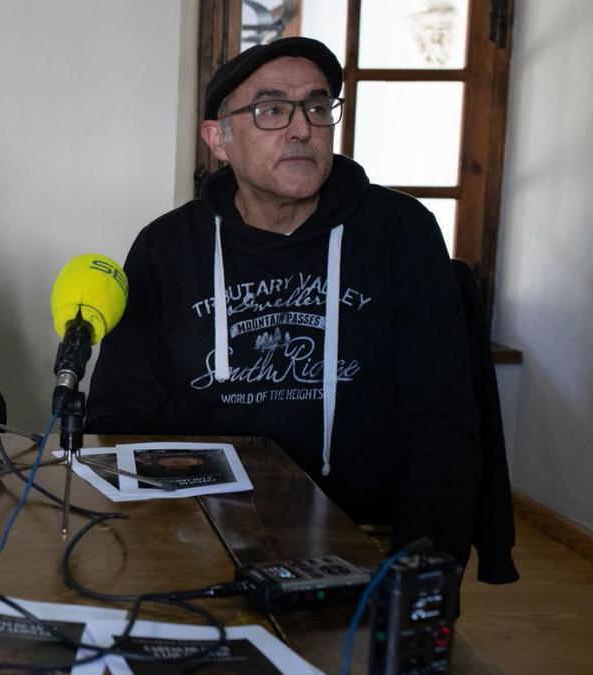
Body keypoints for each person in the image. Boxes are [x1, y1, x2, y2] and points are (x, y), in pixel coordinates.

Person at [86, 37, 488, 567]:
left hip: (362, 534)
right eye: (272, 109)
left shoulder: (401, 233)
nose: (302, 128)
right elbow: (120, 417)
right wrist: (140, 544)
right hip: (192, 530)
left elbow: (442, 419)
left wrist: (420, 569)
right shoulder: (167, 248)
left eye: (317, 107)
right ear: (219, 138)